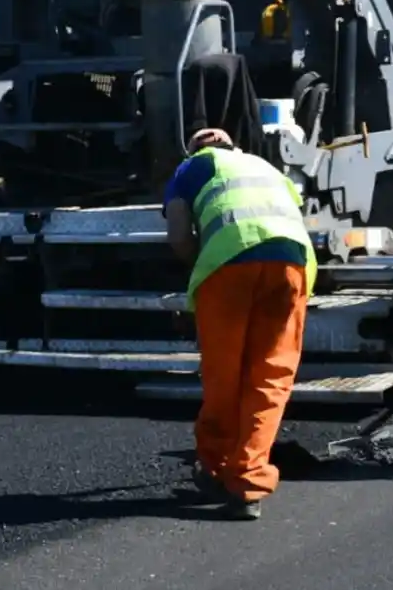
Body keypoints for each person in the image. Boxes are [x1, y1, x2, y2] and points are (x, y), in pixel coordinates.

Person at [163, 127, 316, 521]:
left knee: (224, 375)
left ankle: (215, 469)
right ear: (236, 146)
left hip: (228, 266)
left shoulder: (191, 168)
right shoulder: (264, 166)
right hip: (291, 264)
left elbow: (179, 233)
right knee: (271, 377)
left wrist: (196, 264)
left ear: (194, 149)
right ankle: (248, 483)